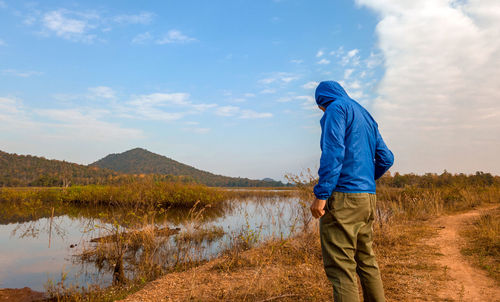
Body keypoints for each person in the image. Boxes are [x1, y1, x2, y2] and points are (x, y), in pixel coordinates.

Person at [310, 81, 394, 302]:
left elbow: (333, 152)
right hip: (367, 197)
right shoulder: (365, 115)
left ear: (322, 101)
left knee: (341, 267)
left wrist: (322, 195)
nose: (321, 111)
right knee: (366, 260)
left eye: (320, 107)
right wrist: (365, 179)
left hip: (344, 198)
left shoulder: (335, 109)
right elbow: (386, 158)